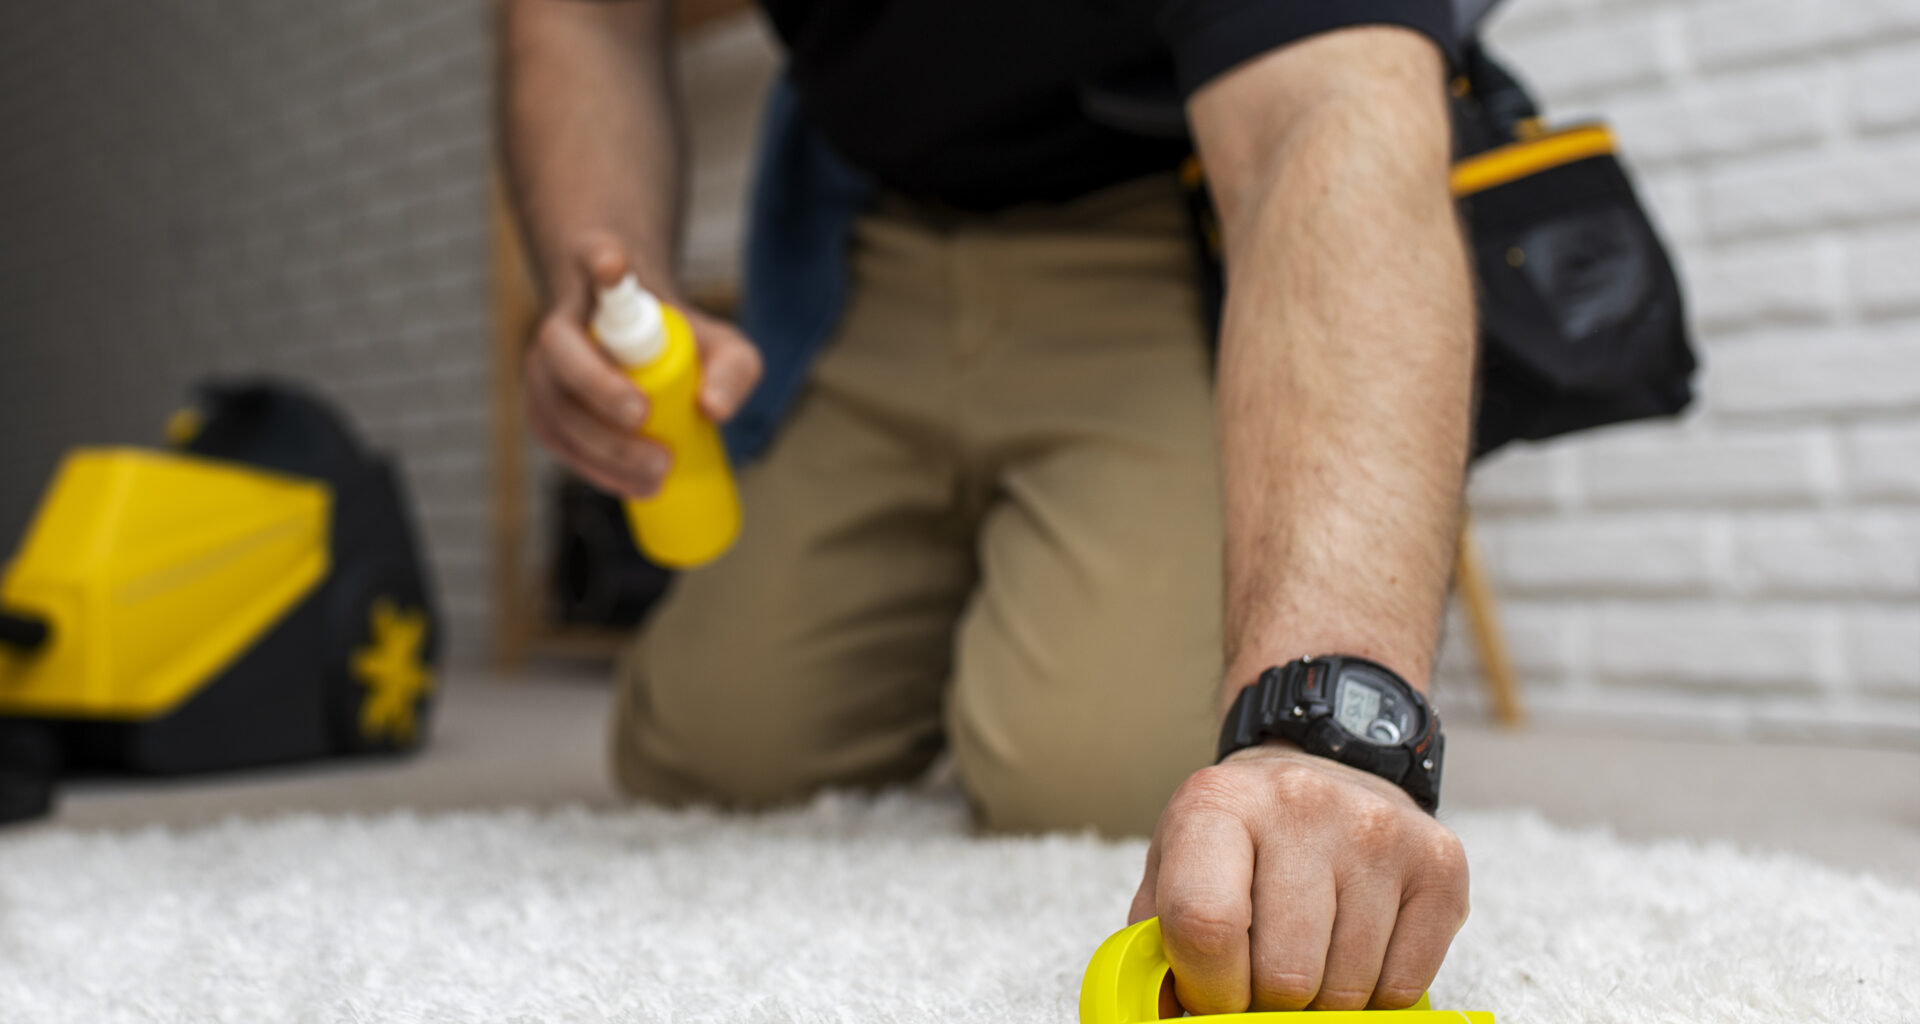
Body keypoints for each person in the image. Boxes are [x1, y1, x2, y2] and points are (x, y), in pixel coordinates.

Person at [502, 0, 1474, 1013]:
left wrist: (1334, 728)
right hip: (867, 235)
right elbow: (583, 16)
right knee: (704, 746)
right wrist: (608, 276)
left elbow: (1323, 108)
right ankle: (999, 576)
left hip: (1160, 218)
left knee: (1089, 774)